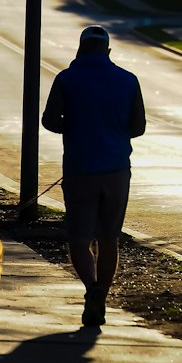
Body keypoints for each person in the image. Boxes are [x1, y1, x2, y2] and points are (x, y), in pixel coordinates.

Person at [42, 25, 147, 327]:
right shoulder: (128, 80)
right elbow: (138, 127)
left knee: (79, 238)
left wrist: (75, 127)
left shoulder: (66, 79)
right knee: (109, 237)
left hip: (79, 170)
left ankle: (92, 289)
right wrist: (113, 130)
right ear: (108, 51)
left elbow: (49, 120)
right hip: (116, 171)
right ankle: (102, 294)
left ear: (80, 50)